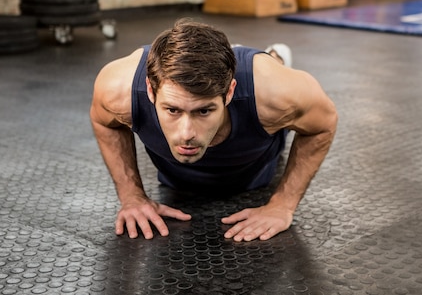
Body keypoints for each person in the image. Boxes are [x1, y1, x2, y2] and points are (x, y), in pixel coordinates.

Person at [90, 19, 337, 242]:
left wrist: (283, 205)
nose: (187, 133)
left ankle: (274, 57)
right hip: (176, 181)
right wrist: (131, 196)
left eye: (204, 111)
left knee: (270, 80)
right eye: (173, 110)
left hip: (255, 170)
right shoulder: (118, 89)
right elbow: (104, 122)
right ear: (151, 91)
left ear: (229, 93)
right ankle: (238, 61)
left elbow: (323, 125)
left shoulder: (273, 95)